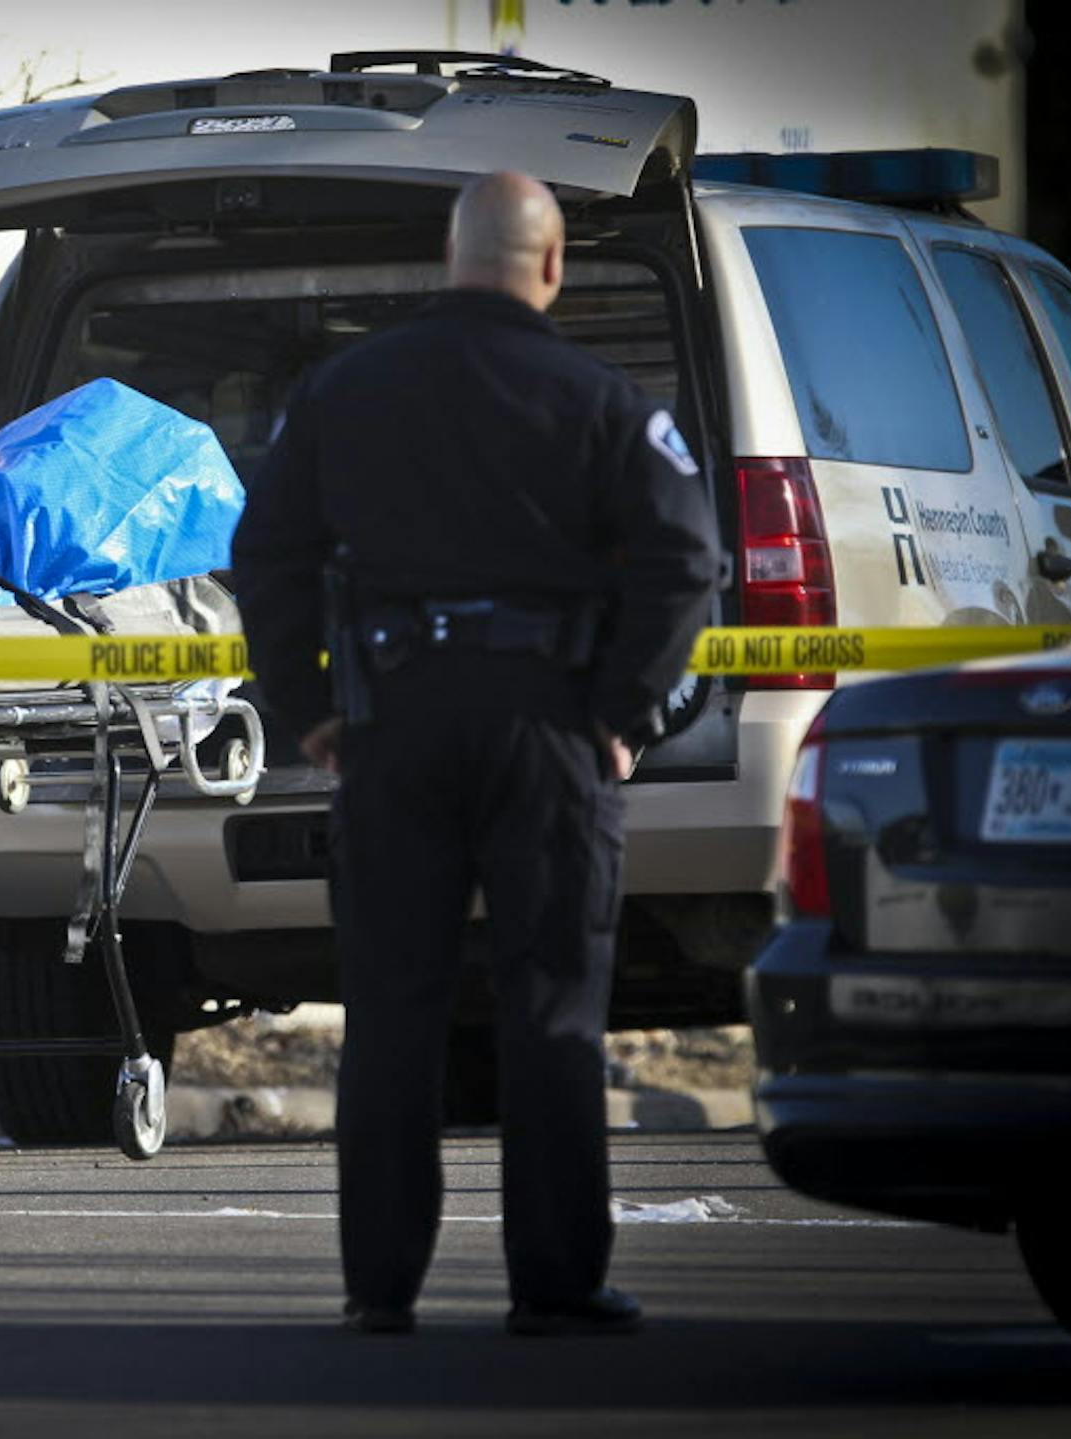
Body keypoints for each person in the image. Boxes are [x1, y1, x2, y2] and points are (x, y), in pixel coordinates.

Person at [230, 172, 719, 1336]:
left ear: (452, 259)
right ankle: (554, 1282)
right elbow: (686, 561)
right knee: (549, 1005)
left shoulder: (344, 390)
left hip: (393, 725)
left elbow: (266, 555)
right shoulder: (602, 399)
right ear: (550, 266)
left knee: (393, 1009)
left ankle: (379, 1285)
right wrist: (625, 709)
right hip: (553, 726)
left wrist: (309, 707)